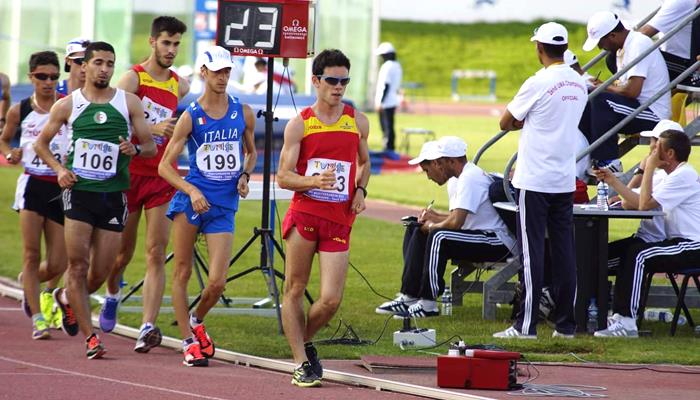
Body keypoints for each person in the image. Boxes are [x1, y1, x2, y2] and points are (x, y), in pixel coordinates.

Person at [34, 41, 156, 359]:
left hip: (113, 196)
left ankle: (65, 298)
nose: (104, 69)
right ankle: (91, 338)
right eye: (98, 62)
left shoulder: (129, 102)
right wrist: (60, 170)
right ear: (85, 66)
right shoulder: (67, 105)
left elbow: (150, 147)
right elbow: (41, 144)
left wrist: (134, 149)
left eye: (110, 63)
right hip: (80, 194)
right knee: (78, 265)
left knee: (100, 272)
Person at [277, 49, 370, 387]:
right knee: (295, 288)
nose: (339, 87)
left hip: (339, 219)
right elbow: (283, 176)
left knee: (331, 300)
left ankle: (302, 341)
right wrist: (312, 182)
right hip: (305, 215)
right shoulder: (300, 124)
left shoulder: (357, 121)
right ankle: (300, 363)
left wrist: (360, 190)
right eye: (332, 80)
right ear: (316, 81)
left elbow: (364, 162)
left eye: (344, 81)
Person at [159, 45, 256, 367]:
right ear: (203, 72)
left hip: (224, 205)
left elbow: (251, 152)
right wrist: (191, 190)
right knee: (182, 271)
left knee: (217, 282)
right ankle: (188, 342)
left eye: (227, 71)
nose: (223, 77)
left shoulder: (242, 112)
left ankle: (196, 319)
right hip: (192, 203)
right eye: (217, 72)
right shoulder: (191, 116)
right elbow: (164, 166)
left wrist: (244, 175)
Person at [101, 15, 189, 353]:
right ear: (152, 41)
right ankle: (112, 293)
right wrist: (150, 129)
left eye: (176, 44)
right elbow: (113, 122)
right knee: (122, 254)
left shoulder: (180, 85)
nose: (171, 50)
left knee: (156, 252)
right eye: (166, 42)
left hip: (162, 176)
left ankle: (147, 326)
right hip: (129, 174)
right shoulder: (132, 79)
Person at [493, 22, 587, 339]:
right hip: (564, 179)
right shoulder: (579, 82)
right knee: (565, 253)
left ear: (540, 48)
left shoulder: (537, 81)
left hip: (534, 178)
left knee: (532, 254)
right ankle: (566, 325)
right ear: (565, 47)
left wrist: (524, 121)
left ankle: (526, 325)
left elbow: (506, 121)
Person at [375, 137, 515, 318]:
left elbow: (456, 223)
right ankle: (409, 296)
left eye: (434, 165)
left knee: (438, 235)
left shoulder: (470, 178)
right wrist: (433, 218)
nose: (432, 172)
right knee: (416, 227)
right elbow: (459, 218)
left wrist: (433, 225)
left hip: (497, 241)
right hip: (480, 236)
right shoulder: (457, 179)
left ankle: (428, 304)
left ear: (450, 161)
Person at [594, 130, 700, 338]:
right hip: (678, 242)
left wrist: (649, 166)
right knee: (623, 253)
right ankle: (610, 315)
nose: (651, 150)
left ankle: (627, 322)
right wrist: (613, 181)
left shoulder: (684, 175)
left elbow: (643, 204)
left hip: (693, 245)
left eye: (656, 145)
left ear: (669, 154)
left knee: (639, 255)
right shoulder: (670, 176)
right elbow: (635, 201)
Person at [0, 51, 68, 340]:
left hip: (59, 187)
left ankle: (28, 281)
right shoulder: (20, 110)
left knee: (58, 263)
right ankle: (38, 319)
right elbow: (4, 139)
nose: (48, 82)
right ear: (31, 77)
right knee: (31, 253)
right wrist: (10, 154)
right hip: (32, 184)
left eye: (53, 77)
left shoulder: (67, 107)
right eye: (42, 76)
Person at [580, 11, 671, 173]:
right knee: (586, 99)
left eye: (600, 42)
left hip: (653, 113)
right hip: (637, 107)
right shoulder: (622, 48)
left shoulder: (638, 44)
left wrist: (602, 86)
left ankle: (609, 161)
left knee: (600, 100)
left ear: (613, 36)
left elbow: (632, 91)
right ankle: (586, 158)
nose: (600, 47)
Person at [595, 120, 681, 277]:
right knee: (592, 256)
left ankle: (594, 293)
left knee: (591, 261)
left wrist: (644, 169)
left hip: (652, 243)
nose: (650, 146)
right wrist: (642, 170)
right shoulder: (661, 175)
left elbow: (629, 202)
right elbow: (627, 196)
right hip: (645, 239)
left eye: (653, 141)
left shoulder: (667, 178)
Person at [639, 0, 696, 84]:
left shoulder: (679, 1)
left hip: (684, 67)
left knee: (637, 54)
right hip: (686, 63)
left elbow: (643, 34)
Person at [374, 42, 402, 155]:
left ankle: (388, 148)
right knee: (390, 125)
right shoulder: (397, 65)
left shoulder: (387, 66)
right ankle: (390, 147)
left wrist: (381, 102)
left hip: (386, 101)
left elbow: (386, 84)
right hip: (392, 99)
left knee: (386, 126)